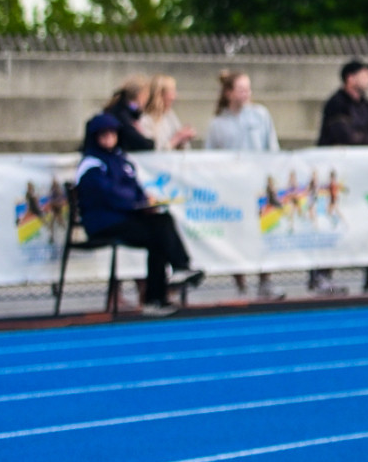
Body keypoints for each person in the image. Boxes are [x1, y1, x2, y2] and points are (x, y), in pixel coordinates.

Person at [75, 113, 203, 314]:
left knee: (162, 224)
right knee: (159, 231)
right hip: (104, 222)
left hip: (126, 217)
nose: (109, 138)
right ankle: (176, 271)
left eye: (112, 133)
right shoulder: (91, 164)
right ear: (95, 137)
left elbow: (135, 188)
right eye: (103, 134)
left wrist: (147, 201)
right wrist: (136, 204)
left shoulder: (121, 160)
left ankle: (158, 296)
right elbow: (108, 194)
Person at [204, 70, 281, 297]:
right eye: (240, 89)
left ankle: (265, 279)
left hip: (259, 187)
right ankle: (240, 283)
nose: (246, 94)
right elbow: (211, 157)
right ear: (229, 93)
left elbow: (272, 147)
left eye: (248, 89)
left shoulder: (260, 115)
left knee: (265, 232)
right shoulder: (218, 124)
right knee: (237, 235)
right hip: (234, 190)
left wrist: (272, 176)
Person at [317, 59, 368, 146]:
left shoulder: (367, 106)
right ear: (350, 78)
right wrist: (366, 138)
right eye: (364, 75)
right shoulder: (336, 104)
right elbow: (345, 136)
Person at [138, 74, 198, 149]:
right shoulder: (146, 120)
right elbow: (153, 150)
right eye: (172, 92)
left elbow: (179, 147)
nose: (174, 97)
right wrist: (176, 139)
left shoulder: (169, 115)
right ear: (160, 95)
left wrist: (184, 137)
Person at [101, 75, 156, 152]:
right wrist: (150, 142)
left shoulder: (124, 111)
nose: (147, 100)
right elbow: (140, 143)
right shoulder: (122, 114)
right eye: (147, 96)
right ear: (140, 95)